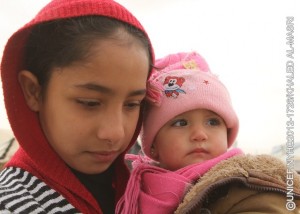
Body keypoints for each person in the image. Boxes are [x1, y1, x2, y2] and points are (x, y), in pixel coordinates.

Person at [0, 0, 154, 213]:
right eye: (90, 103)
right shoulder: (12, 203)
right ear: (33, 91)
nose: (115, 133)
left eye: (132, 104)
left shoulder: (153, 182)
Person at [116, 52, 300, 213]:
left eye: (212, 122)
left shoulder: (245, 181)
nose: (199, 134)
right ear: (153, 144)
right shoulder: (132, 191)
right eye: (181, 123)